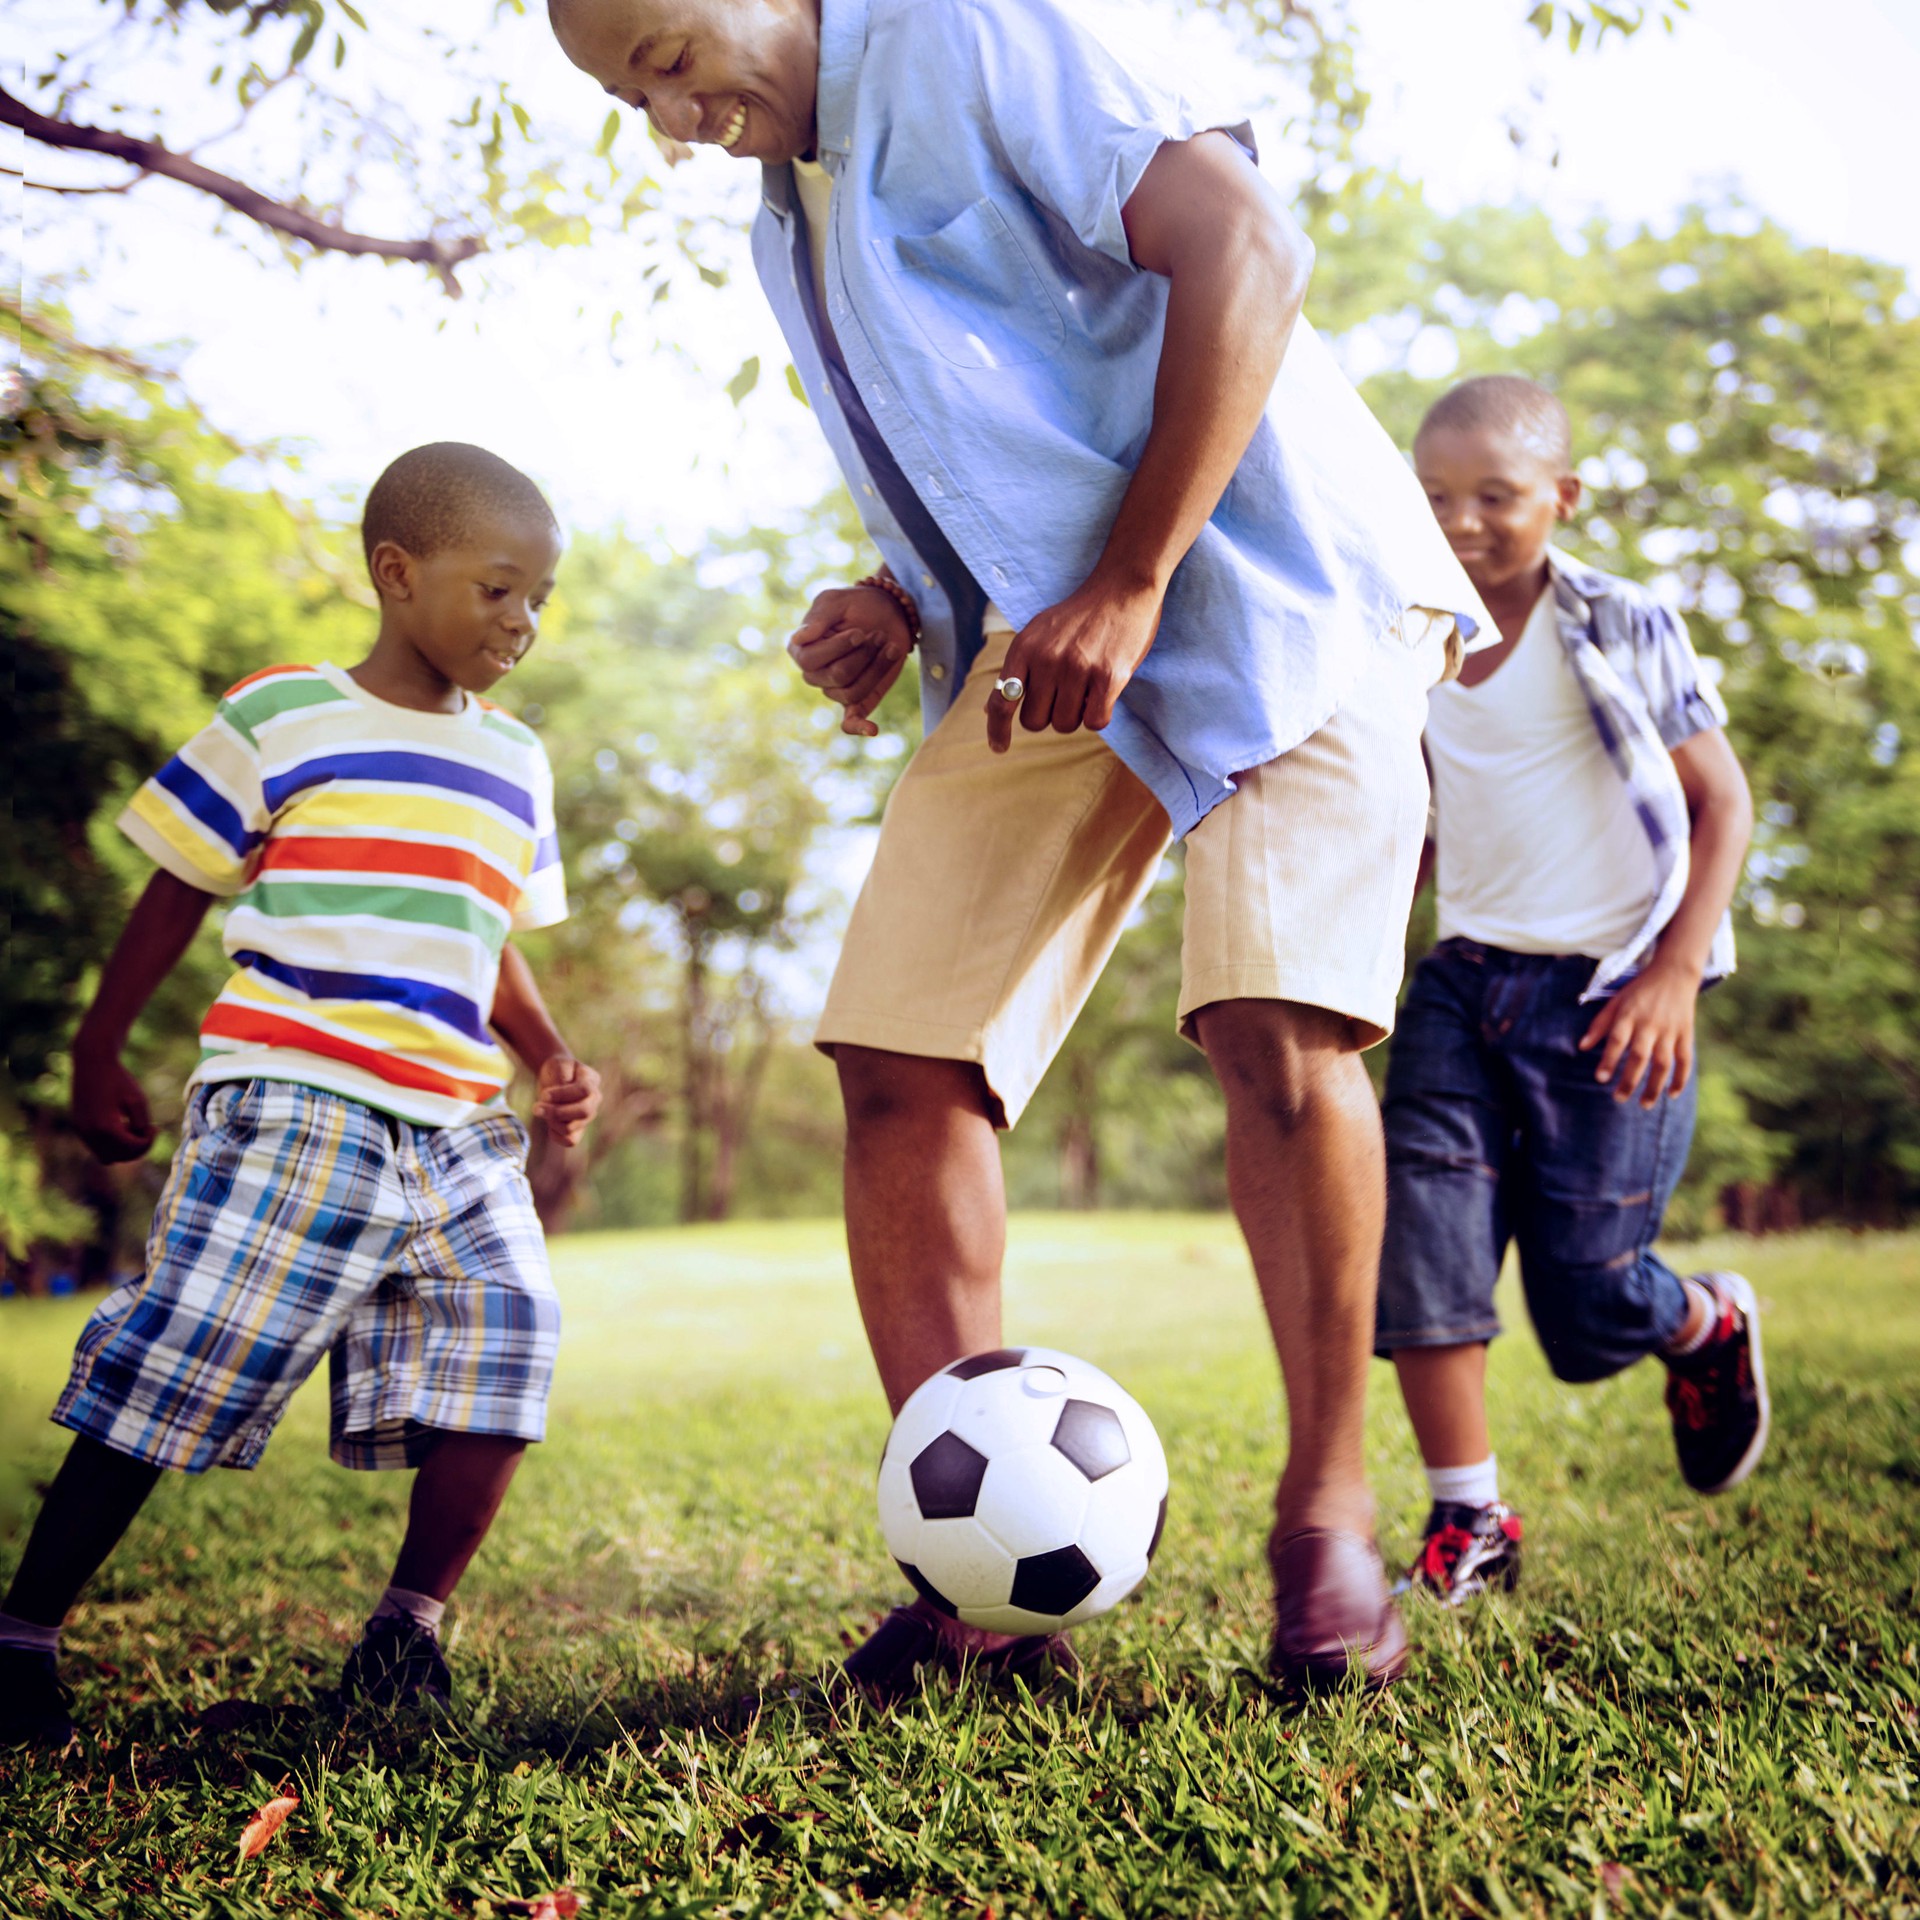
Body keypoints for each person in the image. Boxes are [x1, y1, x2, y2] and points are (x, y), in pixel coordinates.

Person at [549, 0, 1489, 1696]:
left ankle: (1328, 1523)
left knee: (1273, 1024)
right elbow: (994, 434)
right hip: (1046, 631)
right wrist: (896, 596)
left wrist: (1131, 582)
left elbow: (1246, 245)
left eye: (674, 57)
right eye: (633, 96)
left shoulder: (973, 27)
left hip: (1285, 578)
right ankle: (978, 1589)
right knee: (901, 1058)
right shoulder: (789, 217)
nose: (674, 117)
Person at [0, 443, 602, 1747]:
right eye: (498, 589)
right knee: (186, 1351)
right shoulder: (285, 715)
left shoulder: (517, 762)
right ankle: (22, 1636)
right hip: (297, 1095)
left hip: (460, 1124)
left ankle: (404, 1634)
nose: (522, 623)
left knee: (511, 1337)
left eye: (540, 599)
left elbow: (488, 930)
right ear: (398, 572)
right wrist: (98, 1049)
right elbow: (179, 883)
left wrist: (551, 1050)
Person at [1377, 375, 1765, 1607]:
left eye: (1496, 496)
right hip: (1462, 987)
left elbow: (1723, 801)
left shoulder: (1620, 620)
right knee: (1426, 1249)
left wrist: (1676, 974)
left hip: (1611, 994)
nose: (1463, 522)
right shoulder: (1409, 631)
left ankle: (1702, 1323)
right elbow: (1433, 809)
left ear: (1563, 497)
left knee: (1590, 1307)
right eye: (1438, 496)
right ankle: (1470, 1516)